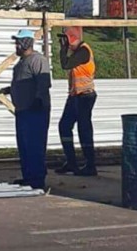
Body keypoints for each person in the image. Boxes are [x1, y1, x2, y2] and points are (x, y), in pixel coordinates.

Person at [7, 28, 52, 190]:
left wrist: (38, 99)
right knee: (24, 145)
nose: (16, 46)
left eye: (18, 42)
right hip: (22, 110)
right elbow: (24, 81)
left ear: (26, 43)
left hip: (35, 110)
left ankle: (37, 179)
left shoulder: (37, 60)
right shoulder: (21, 64)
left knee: (35, 145)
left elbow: (43, 82)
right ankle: (28, 176)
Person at [56, 27, 98, 176]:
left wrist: (63, 49)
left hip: (85, 96)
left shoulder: (83, 51)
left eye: (65, 39)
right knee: (64, 126)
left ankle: (90, 164)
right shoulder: (78, 52)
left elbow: (65, 64)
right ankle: (71, 162)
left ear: (72, 38)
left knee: (84, 129)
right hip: (76, 95)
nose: (64, 42)